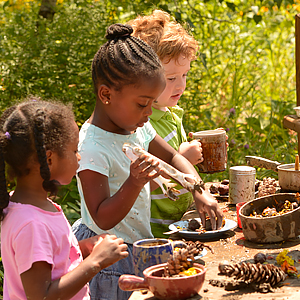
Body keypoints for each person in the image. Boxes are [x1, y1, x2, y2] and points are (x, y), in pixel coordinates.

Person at [71, 22, 223, 300]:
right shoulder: (92, 147)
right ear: (106, 94)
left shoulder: (136, 126)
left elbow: (174, 156)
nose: (149, 113)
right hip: (108, 259)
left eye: (153, 103)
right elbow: (102, 217)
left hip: (140, 247)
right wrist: (135, 181)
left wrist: (198, 190)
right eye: (143, 104)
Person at [0, 98, 128, 300]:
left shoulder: (30, 206)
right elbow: (42, 296)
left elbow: (51, 258)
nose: (79, 157)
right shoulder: (31, 224)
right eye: (74, 150)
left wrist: (82, 248)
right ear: (49, 159)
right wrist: (95, 261)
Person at [129, 10, 226, 237]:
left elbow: (178, 157)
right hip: (156, 230)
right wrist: (182, 161)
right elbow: (141, 184)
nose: (180, 85)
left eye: (185, 75)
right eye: (171, 78)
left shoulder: (171, 113)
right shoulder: (141, 124)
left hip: (182, 218)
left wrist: (200, 158)